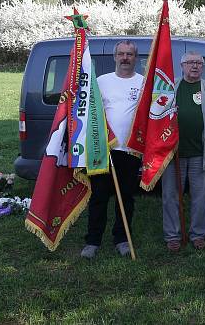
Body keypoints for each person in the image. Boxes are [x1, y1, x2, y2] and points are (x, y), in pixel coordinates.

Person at [81, 40, 144, 259]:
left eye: (130, 54)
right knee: (99, 196)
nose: (125, 58)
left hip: (131, 150)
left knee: (126, 197)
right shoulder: (101, 82)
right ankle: (93, 241)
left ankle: (122, 239)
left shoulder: (144, 83)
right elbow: (90, 114)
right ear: (115, 57)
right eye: (121, 54)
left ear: (135, 58)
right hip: (102, 150)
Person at [162, 51, 205, 252]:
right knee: (170, 195)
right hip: (173, 153)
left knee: (201, 196)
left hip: (200, 152)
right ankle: (172, 236)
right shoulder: (170, 88)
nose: (195, 66)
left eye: (199, 63)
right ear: (182, 65)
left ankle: (198, 235)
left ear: (203, 67)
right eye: (190, 62)